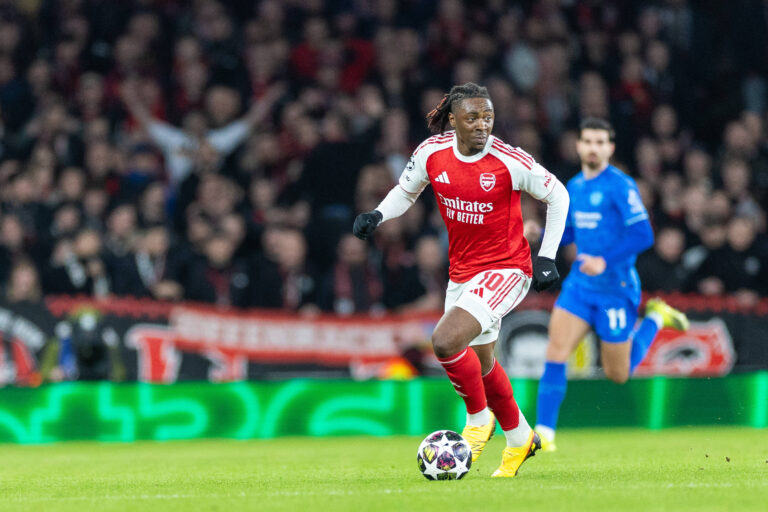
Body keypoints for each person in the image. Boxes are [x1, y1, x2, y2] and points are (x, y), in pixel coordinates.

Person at [353, 83, 570, 477]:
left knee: (445, 340)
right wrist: (378, 215)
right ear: (452, 120)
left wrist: (547, 256)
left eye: (487, 117)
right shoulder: (431, 153)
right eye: (472, 117)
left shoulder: (509, 160)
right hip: (463, 272)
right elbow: (406, 191)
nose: (482, 125)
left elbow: (558, 196)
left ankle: (477, 419)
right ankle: (521, 439)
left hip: (507, 268)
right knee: (484, 365)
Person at [533, 118, 690, 452]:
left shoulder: (621, 185)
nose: (593, 147)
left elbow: (643, 233)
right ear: (578, 145)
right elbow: (573, 233)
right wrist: (543, 234)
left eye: (600, 142)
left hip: (616, 288)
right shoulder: (573, 187)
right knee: (556, 350)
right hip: (580, 286)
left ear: (610, 148)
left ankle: (655, 319)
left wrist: (605, 260)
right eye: (587, 141)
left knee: (618, 374)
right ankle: (544, 433)